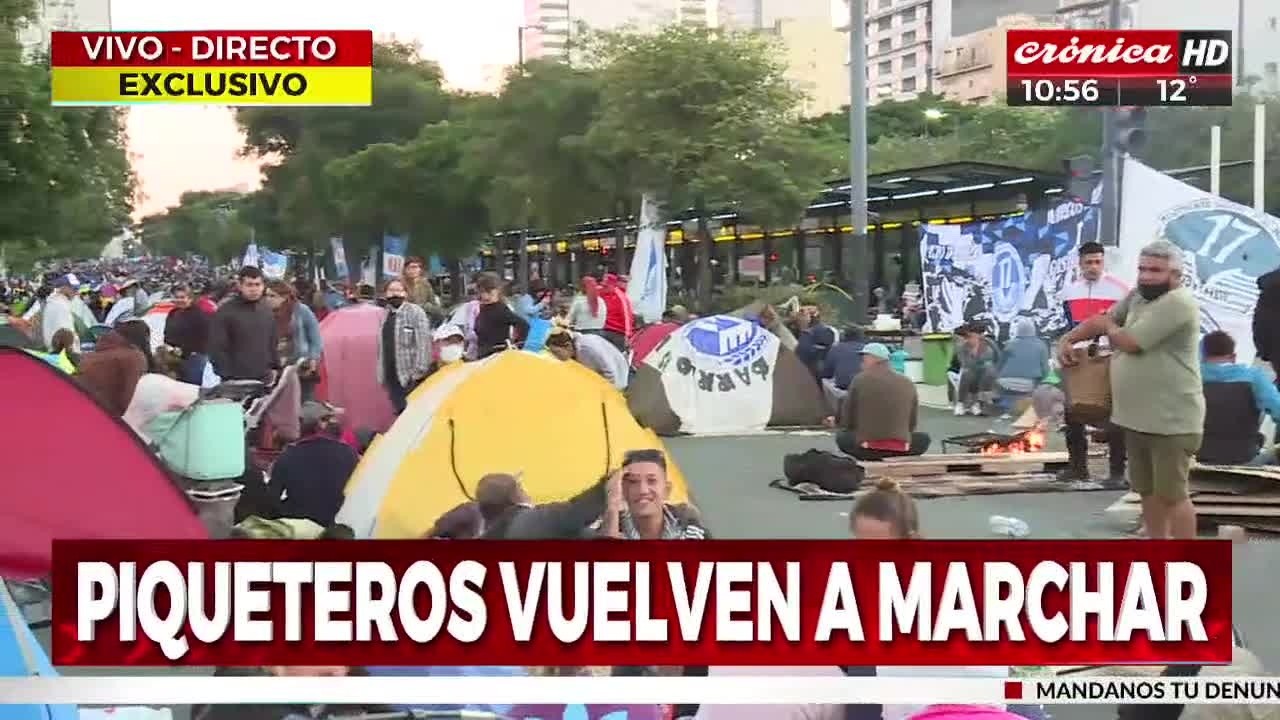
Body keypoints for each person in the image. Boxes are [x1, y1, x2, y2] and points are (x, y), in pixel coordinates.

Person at [1059, 240, 1204, 539]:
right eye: (1142, 269)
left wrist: (1111, 328)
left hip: (1170, 419)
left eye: (1156, 270)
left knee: (1173, 494)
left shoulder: (1178, 303)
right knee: (1147, 491)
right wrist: (1068, 339)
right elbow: (1103, 319)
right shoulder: (1138, 296)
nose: (1147, 276)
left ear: (1176, 274)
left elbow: (1130, 341)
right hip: (1135, 417)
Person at [1057, 240, 1129, 485]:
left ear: (1103, 261)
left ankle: (1117, 472)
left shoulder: (1120, 289)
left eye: (1098, 261)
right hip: (1077, 357)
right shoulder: (1069, 291)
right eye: (1088, 262)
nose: (1093, 267)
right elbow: (1069, 325)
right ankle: (1077, 467)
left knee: (1114, 415)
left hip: (1108, 357)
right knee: (1072, 412)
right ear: (1080, 264)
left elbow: (1124, 325)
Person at [830, 343, 931, 461]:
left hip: (868, 448)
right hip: (902, 448)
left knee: (842, 437)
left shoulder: (860, 380)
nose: (862, 363)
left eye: (864, 358)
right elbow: (912, 423)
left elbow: (847, 419)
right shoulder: (907, 382)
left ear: (873, 358)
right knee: (924, 438)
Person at [267, 402, 360, 527]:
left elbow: (272, 499)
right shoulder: (349, 453)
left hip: (300, 526)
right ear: (321, 424)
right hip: (337, 526)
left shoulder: (288, 455)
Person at [1199, 330, 1280, 465]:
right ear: (1233, 356)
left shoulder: (1192, 377)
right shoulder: (1254, 377)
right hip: (1244, 458)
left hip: (1199, 455)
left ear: (1203, 356)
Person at [477, 469, 617, 540]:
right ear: (515, 497)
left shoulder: (490, 533)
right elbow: (574, 514)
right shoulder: (523, 523)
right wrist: (607, 485)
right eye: (520, 487)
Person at [600, 449, 707, 540]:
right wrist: (613, 508)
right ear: (622, 489)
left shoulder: (690, 532)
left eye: (652, 481)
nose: (643, 490)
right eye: (633, 481)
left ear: (667, 490)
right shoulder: (603, 527)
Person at [208, 266, 278, 382]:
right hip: (235, 378)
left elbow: (272, 341)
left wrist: (275, 367)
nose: (254, 289)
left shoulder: (266, 310)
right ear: (240, 286)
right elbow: (217, 346)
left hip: (264, 376)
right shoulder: (226, 311)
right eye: (249, 285)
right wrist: (226, 375)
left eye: (257, 284)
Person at [377, 278, 433, 414]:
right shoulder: (384, 314)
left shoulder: (416, 312)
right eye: (391, 290)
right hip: (391, 374)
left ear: (406, 293)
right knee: (399, 411)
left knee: (413, 412)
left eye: (399, 290)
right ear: (385, 294)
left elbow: (423, 343)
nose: (395, 294)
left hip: (409, 375)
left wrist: (418, 372)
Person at [268, 280, 323, 400]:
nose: (268, 299)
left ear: (285, 296)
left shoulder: (301, 310)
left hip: (301, 365)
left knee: (304, 402)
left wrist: (313, 358)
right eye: (266, 295)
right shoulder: (264, 313)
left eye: (272, 296)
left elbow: (315, 337)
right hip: (276, 368)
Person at [75, 328, 148, 416]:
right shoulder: (134, 357)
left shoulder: (94, 355)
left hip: (76, 403)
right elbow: (128, 401)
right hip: (101, 415)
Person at [545, 327, 630, 390]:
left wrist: (606, 394)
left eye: (557, 352)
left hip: (619, 379)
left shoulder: (587, 348)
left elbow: (610, 373)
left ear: (567, 345)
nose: (556, 357)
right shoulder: (575, 350)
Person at [164, 283, 211, 384]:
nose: (179, 300)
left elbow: (204, 338)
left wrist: (185, 349)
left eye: (182, 297)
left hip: (194, 357)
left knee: (191, 386)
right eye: (177, 297)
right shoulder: (173, 313)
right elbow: (167, 333)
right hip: (174, 357)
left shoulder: (199, 315)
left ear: (190, 298)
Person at [473, 272, 528, 358]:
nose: (485, 294)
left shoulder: (500, 309)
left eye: (489, 291)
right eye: (482, 291)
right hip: (483, 356)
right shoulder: (483, 308)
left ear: (497, 290)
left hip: (497, 356)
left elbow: (523, 325)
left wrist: (518, 345)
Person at [995, 317, 1049, 399]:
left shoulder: (1009, 344)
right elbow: (1045, 370)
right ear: (1034, 329)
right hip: (1028, 385)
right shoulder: (1041, 345)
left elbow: (999, 366)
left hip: (1004, 383)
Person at [953, 324, 997, 416]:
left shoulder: (989, 344)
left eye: (976, 335)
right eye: (970, 336)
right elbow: (964, 363)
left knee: (988, 369)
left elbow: (996, 357)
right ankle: (961, 403)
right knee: (967, 372)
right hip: (966, 371)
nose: (972, 339)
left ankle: (977, 404)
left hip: (982, 372)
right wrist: (974, 355)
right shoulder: (963, 347)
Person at [820, 325, 866, 409]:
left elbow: (827, 373)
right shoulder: (867, 348)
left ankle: (828, 411)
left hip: (842, 389)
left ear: (844, 336)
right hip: (863, 388)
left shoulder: (836, 348)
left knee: (824, 381)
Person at [40, 274, 79, 350]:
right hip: (62, 352)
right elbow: (66, 334)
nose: (76, 291)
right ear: (64, 287)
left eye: (77, 288)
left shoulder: (55, 302)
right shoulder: (60, 305)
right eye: (74, 288)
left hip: (55, 350)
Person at [598, 273, 634, 352]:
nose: (604, 287)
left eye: (606, 285)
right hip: (603, 330)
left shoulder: (621, 297)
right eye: (603, 285)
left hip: (618, 332)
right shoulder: (599, 293)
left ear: (613, 285)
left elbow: (627, 317)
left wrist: (628, 335)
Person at [402, 256, 443, 322]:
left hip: (424, 318)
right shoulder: (400, 283)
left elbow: (435, 306)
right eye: (413, 267)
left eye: (418, 267)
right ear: (405, 269)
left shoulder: (425, 283)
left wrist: (427, 307)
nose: (416, 270)